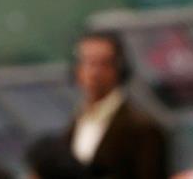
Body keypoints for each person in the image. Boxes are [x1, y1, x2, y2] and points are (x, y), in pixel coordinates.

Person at [66, 30, 169, 179]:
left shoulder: (142, 128)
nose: (94, 73)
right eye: (88, 62)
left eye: (103, 64)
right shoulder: (77, 122)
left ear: (119, 69)